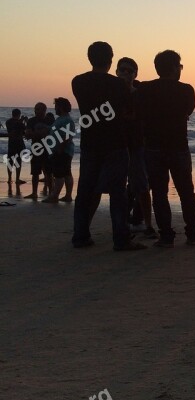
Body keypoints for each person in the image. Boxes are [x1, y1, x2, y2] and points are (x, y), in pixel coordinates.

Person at [72, 41, 145, 251]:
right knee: (118, 193)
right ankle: (121, 239)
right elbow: (129, 112)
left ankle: (80, 235)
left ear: (89, 58)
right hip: (115, 142)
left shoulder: (78, 82)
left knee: (85, 191)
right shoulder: (118, 85)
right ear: (111, 59)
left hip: (89, 142)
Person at [135, 50, 195, 247]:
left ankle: (166, 235)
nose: (180, 70)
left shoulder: (145, 89)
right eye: (179, 66)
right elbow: (188, 110)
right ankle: (192, 234)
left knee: (159, 193)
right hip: (178, 146)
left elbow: (139, 113)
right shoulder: (186, 90)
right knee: (186, 191)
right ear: (174, 68)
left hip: (153, 147)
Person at [116, 57, 157, 239]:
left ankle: (147, 224)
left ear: (135, 74)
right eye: (122, 70)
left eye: (129, 71)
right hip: (116, 146)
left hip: (137, 146)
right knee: (117, 187)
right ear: (116, 72)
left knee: (141, 186)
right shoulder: (110, 95)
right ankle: (121, 225)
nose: (125, 73)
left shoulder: (141, 95)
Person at [42, 98, 76, 203]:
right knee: (66, 173)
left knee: (59, 174)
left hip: (62, 151)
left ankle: (54, 196)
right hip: (61, 150)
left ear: (60, 107)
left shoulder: (66, 120)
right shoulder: (61, 119)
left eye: (56, 106)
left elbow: (67, 137)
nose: (55, 108)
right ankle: (67, 196)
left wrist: (60, 149)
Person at [23, 102, 50, 199]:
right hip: (36, 148)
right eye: (35, 109)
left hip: (47, 148)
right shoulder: (31, 121)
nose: (36, 111)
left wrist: (34, 133)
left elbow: (49, 134)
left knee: (48, 171)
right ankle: (34, 193)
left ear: (44, 110)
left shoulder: (49, 120)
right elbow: (27, 135)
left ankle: (51, 193)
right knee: (35, 172)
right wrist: (39, 134)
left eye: (38, 109)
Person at [5, 108, 26, 186]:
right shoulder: (19, 122)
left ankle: (9, 178)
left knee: (10, 161)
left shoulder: (8, 122)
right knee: (18, 161)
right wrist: (23, 121)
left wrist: (21, 121)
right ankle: (17, 178)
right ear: (19, 114)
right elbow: (25, 130)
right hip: (19, 143)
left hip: (11, 143)